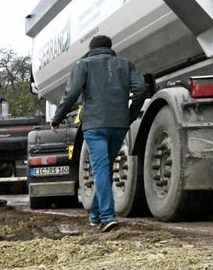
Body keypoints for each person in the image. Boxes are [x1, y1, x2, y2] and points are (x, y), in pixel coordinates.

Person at [51, 35, 146, 232]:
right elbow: (141, 89)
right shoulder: (125, 64)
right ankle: (95, 215)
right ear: (110, 47)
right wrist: (131, 114)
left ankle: (107, 216)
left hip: (94, 125)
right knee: (105, 169)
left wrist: (57, 118)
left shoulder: (83, 65)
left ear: (91, 48)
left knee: (101, 170)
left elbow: (72, 93)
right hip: (119, 125)